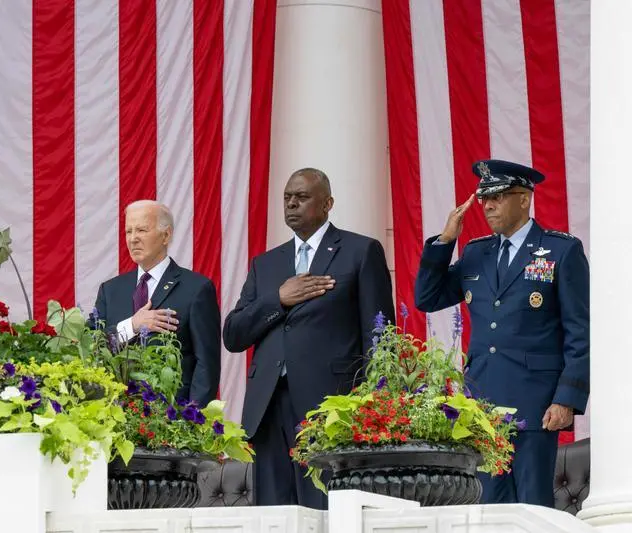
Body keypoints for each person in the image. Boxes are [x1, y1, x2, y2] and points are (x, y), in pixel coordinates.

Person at [414, 159, 590, 507]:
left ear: (524, 199)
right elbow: (428, 298)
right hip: (482, 402)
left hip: (536, 402)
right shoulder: (476, 251)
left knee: (533, 507)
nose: (487, 206)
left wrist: (566, 398)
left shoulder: (560, 250)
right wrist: (446, 240)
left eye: (498, 196)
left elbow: (579, 332)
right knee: (487, 508)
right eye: (483, 198)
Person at [223, 168, 395, 509]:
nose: (291, 204)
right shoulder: (266, 263)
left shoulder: (360, 251)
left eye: (301, 197)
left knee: (324, 509)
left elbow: (380, 337)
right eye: (287, 197)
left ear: (327, 203)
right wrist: (278, 299)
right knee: (273, 512)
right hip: (269, 406)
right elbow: (234, 334)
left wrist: (372, 403)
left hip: (330, 406)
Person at [93, 200, 221, 407]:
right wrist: (132, 326)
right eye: (128, 231)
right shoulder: (110, 290)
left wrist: (193, 418)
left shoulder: (196, 288)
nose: (133, 239)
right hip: (115, 416)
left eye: (142, 230)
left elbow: (206, 364)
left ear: (166, 235)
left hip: (171, 418)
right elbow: (93, 347)